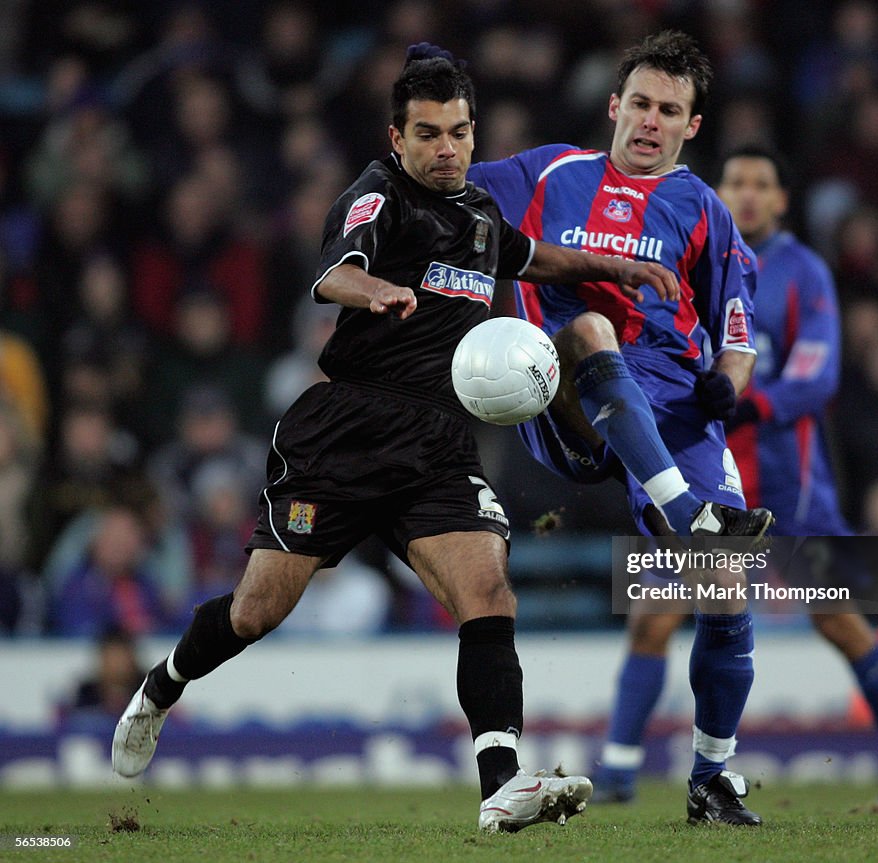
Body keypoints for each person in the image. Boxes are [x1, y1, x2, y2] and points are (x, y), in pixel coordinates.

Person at [111, 44, 683, 834]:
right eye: (428, 134)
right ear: (397, 138)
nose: (445, 148)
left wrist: (610, 268)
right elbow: (332, 270)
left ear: (473, 133)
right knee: (256, 611)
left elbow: (533, 257)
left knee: (488, 591)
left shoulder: (481, 214)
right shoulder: (379, 197)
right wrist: (374, 287)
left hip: (439, 444)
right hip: (347, 432)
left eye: (457, 131)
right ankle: (162, 685)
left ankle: (501, 785)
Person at [469, 31, 773, 826]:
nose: (649, 120)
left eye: (668, 110)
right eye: (638, 103)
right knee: (592, 330)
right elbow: (440, 183)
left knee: (728, 592)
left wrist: (724, 388)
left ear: (691, 127)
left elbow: (739, 336)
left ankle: (711, 777)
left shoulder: (704, 210)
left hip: (673, 410)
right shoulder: (547, 173)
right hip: (569, 395)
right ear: (614, 105)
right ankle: (687, 514)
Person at [588, 145, 878, 807]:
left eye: (761, 183)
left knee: (839, 619)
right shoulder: (686, 258)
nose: (746, 194)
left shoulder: (803, 271)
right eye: (736, 182)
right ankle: (619, 771)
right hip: (699, 474)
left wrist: (742, 399)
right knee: (653, 614)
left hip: (786, 484)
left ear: (780, 199)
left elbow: (817, 372)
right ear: (717, 193)